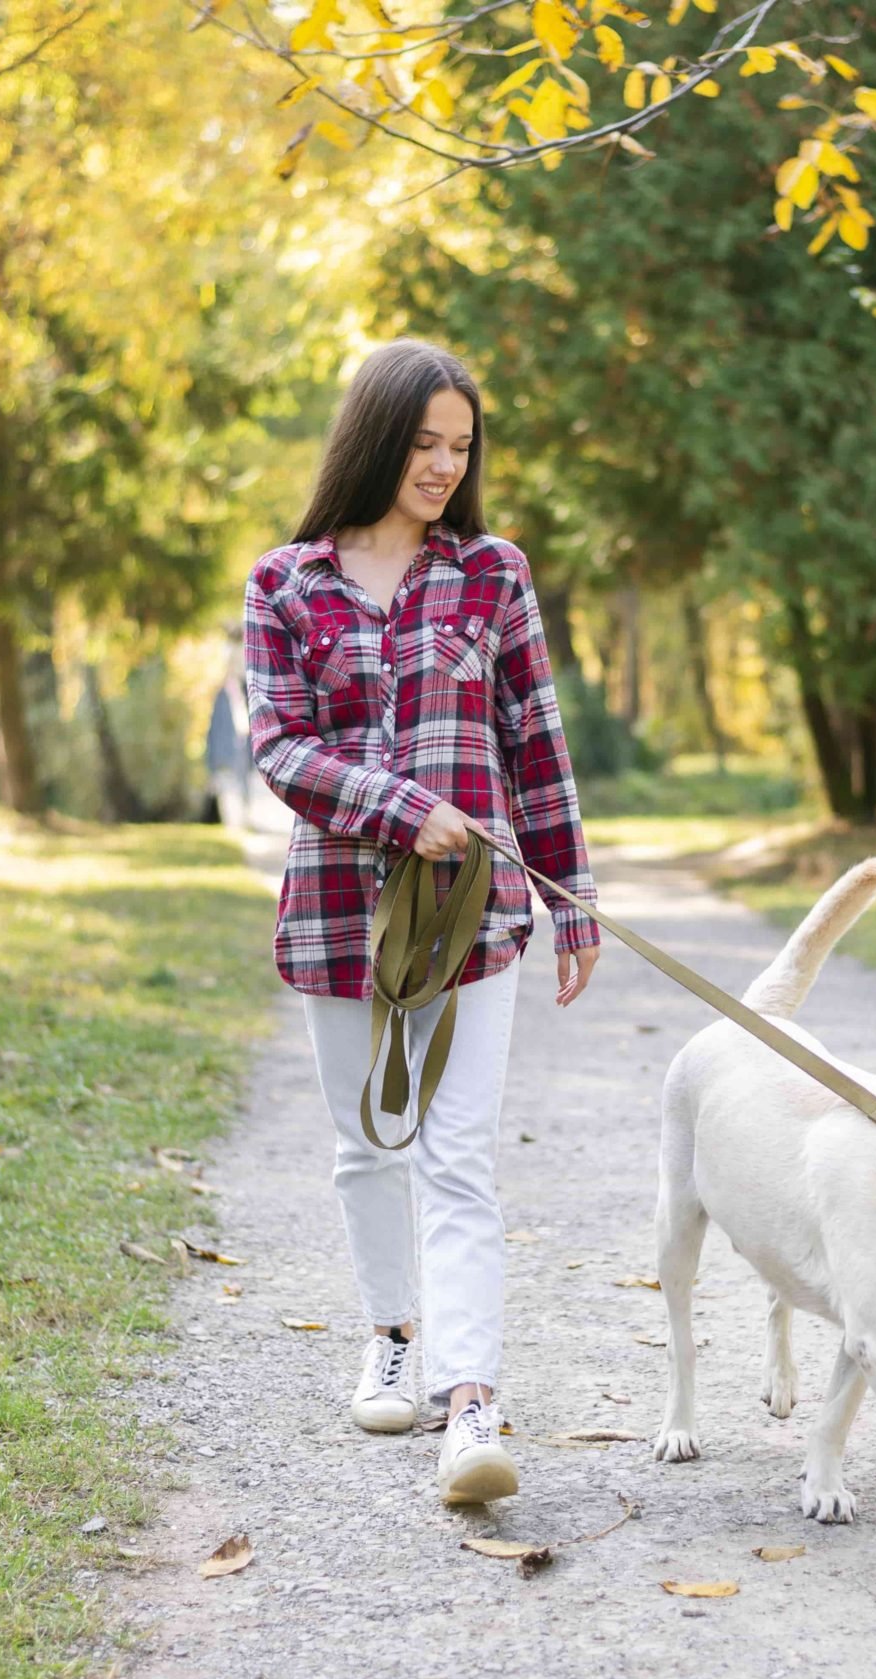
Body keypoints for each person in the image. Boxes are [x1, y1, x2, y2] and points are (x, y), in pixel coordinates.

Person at [239, 337, 603, 1505]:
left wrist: (570, 890)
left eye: (461, 446)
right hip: (342, 907)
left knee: (456, 1153)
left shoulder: (493, 571)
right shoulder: (283, 583)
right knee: (365, 1144)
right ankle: (391, 1329)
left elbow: (534, 739)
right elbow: (280, 748)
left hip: (476, 911)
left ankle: (471, 1394)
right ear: (375, 437)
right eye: (424, 442)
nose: (445, 465)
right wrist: (405, 808)